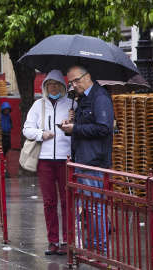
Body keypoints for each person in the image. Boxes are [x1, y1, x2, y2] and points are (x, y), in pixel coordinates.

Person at [60, 64, 114, 254]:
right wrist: (72, 123)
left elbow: (104, 128)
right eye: (71, 82)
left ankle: (100, 251)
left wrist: (75, 128)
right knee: (90, 207)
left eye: (77, 80)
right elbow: (87, 127)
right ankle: (93, 248)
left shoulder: (99, 97)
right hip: (83, 159)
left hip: (93, 161)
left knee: (95, 208)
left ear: (88, 76)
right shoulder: (83, 98)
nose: (74, 85)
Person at [23, 70, 75, 256]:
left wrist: (72, 123)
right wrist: (41, 133)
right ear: (45, 86)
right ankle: (53, 241)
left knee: (66, 201)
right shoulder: (38, 105)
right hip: (44, 160)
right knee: (49, 202)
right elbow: (27, 129)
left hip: (65, 159)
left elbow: (80, 130)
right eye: (49, 83)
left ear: (63, 85)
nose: (53, 86)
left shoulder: (72, 104)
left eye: (57, 83)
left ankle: (67, 241)